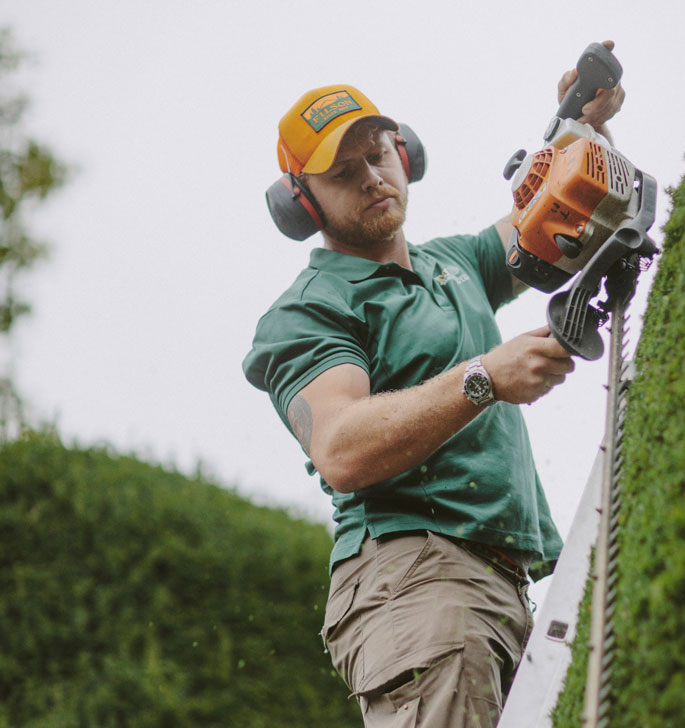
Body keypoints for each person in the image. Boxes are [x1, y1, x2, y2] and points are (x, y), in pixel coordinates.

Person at [243, 44, 624, 728]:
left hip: (504, 586)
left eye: (378, 153)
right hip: (414, 581)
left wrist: (585, 131)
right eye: (343, 170)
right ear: (303, 202)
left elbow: (560, 222)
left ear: (405, 153)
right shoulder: (310, 309)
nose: (371, 176)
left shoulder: (456, 263)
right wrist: (485, 377)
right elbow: (342, 450)